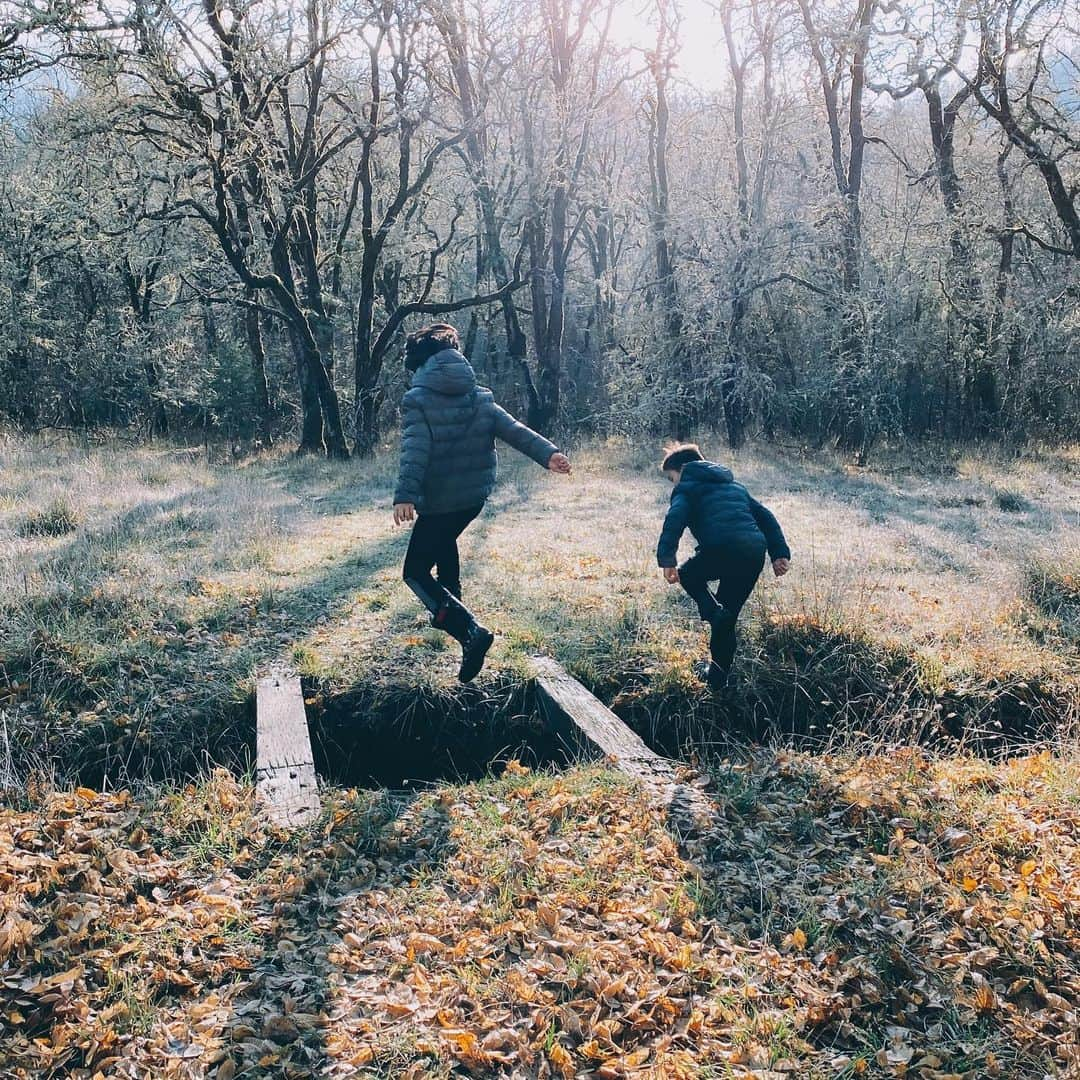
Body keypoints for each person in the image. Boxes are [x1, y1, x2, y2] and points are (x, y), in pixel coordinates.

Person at [393, 324, 571, 682]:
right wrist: (548, 454)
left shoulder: (417, 399)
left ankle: (469, 631)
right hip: (472, 497)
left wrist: (405, 496)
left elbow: (415, 450)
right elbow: (515, 430)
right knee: (444, 537)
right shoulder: (480, 396)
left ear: (423, 364)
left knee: (414, 572)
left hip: (440, 497)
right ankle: (451, 598)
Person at [656, 443, 790, 691]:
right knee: (726, 620)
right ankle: (717, 679)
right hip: (753, 554)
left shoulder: (686, 488)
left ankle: (712, 611)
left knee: (688, 573)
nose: (672, 483)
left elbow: (674, 519)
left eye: (671, 478)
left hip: (721, 548)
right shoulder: (734, 486)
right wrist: (778, 553)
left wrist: (667, 560)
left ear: (683, 470)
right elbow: (766, 517)